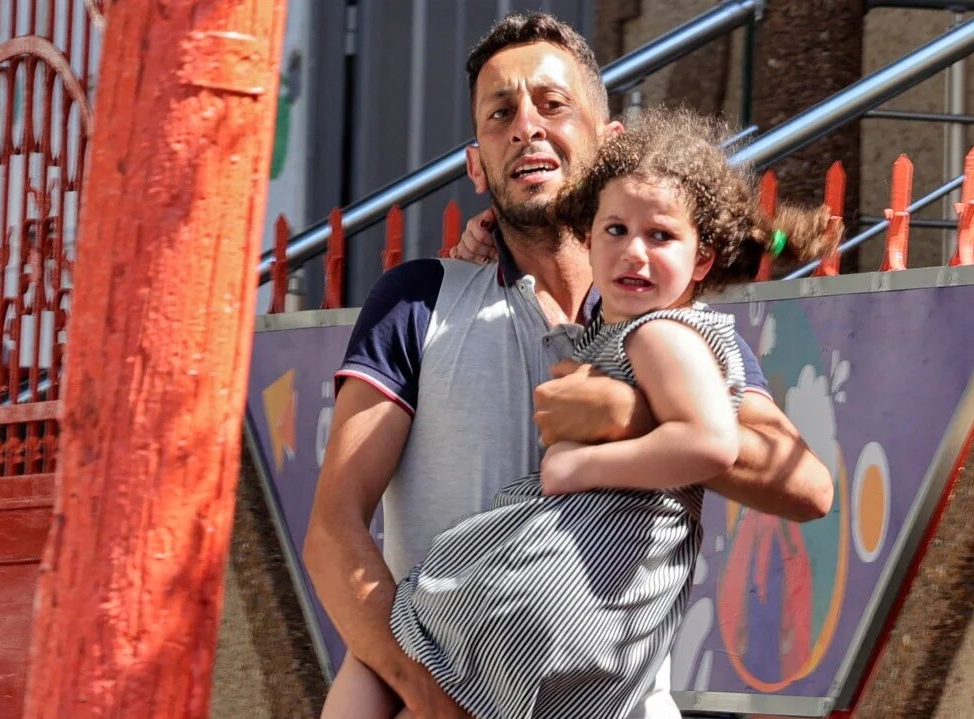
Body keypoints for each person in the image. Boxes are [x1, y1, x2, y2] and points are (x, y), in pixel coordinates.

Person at [304, 12, 834, 719]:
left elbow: (806, 484)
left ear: (609, 144)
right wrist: (433, 702)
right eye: (500, 113)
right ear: (476, 161)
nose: (526, 125)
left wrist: (635, 418)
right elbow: (332, 529)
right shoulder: (419, 298)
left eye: (553, 104)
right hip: (450, 681)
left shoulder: (674, 324)